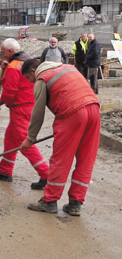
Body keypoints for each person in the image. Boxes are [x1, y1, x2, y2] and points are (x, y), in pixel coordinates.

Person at [21, 59, 100, 216]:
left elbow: (38, 113)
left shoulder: (42, 78)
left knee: (61, 160)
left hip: (72, 113)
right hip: (94, 109)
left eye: (28, 78)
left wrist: (30, 138)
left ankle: (49, 201)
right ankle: (75, 204)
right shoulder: (68, 67)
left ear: (32, 71)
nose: (30, 82)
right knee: (86, 159)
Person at [0, 38, 49, 189]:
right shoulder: (28, 60)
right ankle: (5, 170)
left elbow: (10, 91)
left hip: (20, 108)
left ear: (11, 52)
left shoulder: (13, 66)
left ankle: (45, 174)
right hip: (30, 105)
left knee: (25, 142)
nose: (3, 56)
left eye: (4, 53)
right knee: (11, 137)